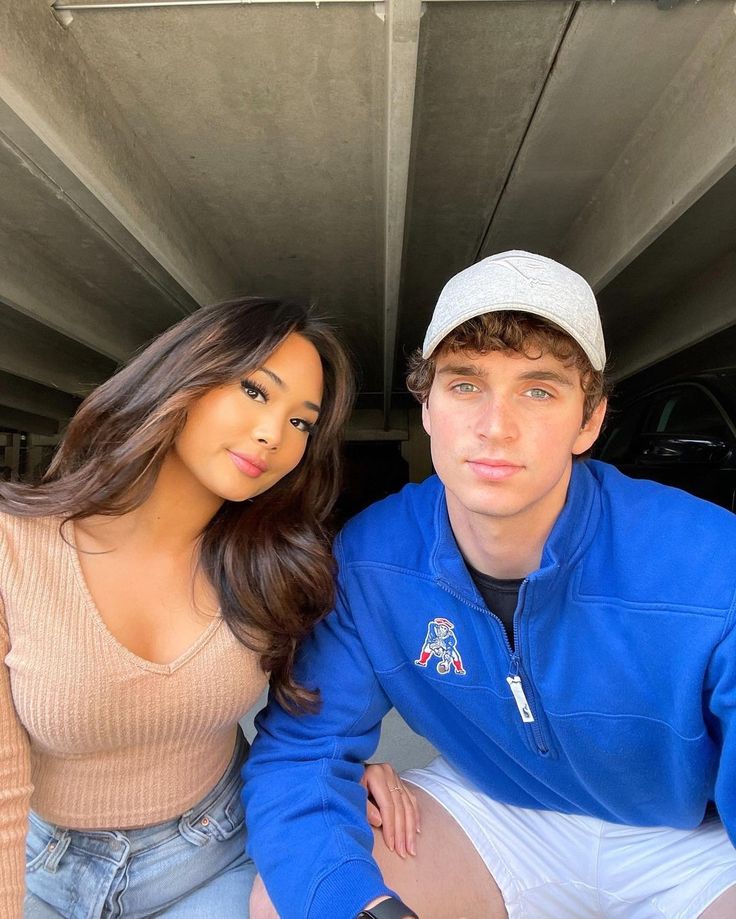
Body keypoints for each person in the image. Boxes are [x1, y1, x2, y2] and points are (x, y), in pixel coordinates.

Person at [243, 252, 736, 919]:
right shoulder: (373, 557)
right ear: (426, 407)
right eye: (465, 384)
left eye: (538, 389)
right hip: (498, 810)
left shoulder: (708, 560)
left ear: (589, 420)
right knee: (292, 898)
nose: (494, 425)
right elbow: (306, 747)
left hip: (687, 837)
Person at [0, 297, 418, 918]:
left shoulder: (275, 568)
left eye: (302, 422)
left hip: (216, 854)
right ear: (184, 380)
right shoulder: (14, 546)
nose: (273, 435)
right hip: (42, 871)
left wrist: (330, 772)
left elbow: (311, 720)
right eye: (255, 391)